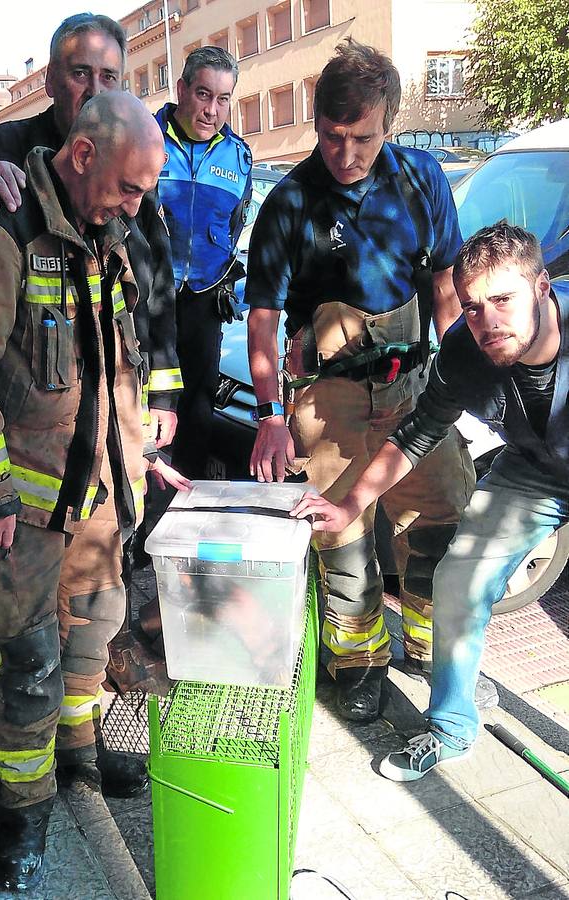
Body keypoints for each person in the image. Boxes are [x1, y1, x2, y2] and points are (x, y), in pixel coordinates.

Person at [0, 92, 168, 890]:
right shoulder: (3, 225)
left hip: (96, 498)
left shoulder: (109, 233)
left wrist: (138, 461)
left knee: (91, 637)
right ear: (83, 155)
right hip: (19, 511)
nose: (136, 206)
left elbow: (118, 364)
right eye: (128, 187)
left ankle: (79, 753)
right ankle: (23, 811)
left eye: (144, 191)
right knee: (27, 663)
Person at [0, 13, 184, 747]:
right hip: (21, 470)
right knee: (4, 629)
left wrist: (154, 409)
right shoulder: (3, 156)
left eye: (109, 76)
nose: (93, 87)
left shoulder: (128, 175)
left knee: (87, 616)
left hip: (91, 464)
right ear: (51, 79)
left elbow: (148, 303)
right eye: (80, 73)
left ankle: (74, 745)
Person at [245, 39, 475, 723]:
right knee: (340, 538)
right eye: (330, 136)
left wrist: (459, 378)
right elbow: (262, 318)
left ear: (389, 123)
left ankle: (428, 645)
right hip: (329, 401)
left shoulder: (420, 179)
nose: (344, 154)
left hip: (415, 389)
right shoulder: (289, 202)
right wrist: (269, 415)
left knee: (439, 518)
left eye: (362, 138)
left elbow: (445, 282)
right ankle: (358, 665)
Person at [291, 223, 568, 779]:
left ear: (542, 287)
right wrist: (349, 506)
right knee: (456, 580)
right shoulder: (467, 349)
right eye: (473, 307)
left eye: (503, 300)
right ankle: (450, 729)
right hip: (535, 470)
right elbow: (417, 433)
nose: (488, 321)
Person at [156, 46, 253, 480]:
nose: (212, 110)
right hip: (148, 297)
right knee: (147, 400)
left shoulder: (239, 156)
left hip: (205, 296)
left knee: (197, 406)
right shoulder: (146, 139)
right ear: (181, 90)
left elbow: (235, 225)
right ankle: (141, 497)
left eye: (223, 99)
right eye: (203, 94)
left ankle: (187, 494)